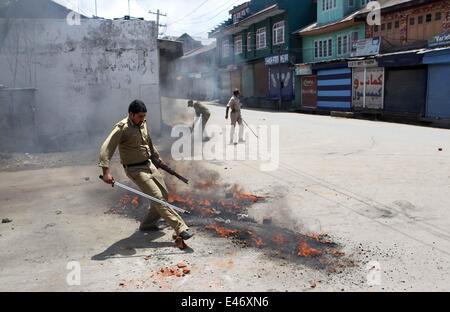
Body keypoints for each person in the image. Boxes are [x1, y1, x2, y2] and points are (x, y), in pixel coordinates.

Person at [99, 100, 193, 241]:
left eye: (144, 116)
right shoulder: (122, 128)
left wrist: (156, 158)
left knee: (164, 195)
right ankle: (181, 228)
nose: (142, 119)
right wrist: (106, 172)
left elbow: (148, 142)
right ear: (131, 114)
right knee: (158, 198)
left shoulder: (142, 123)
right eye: (140, 116)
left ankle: (148, 224)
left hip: (149, 164)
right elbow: (106, 148)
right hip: (135, 169)